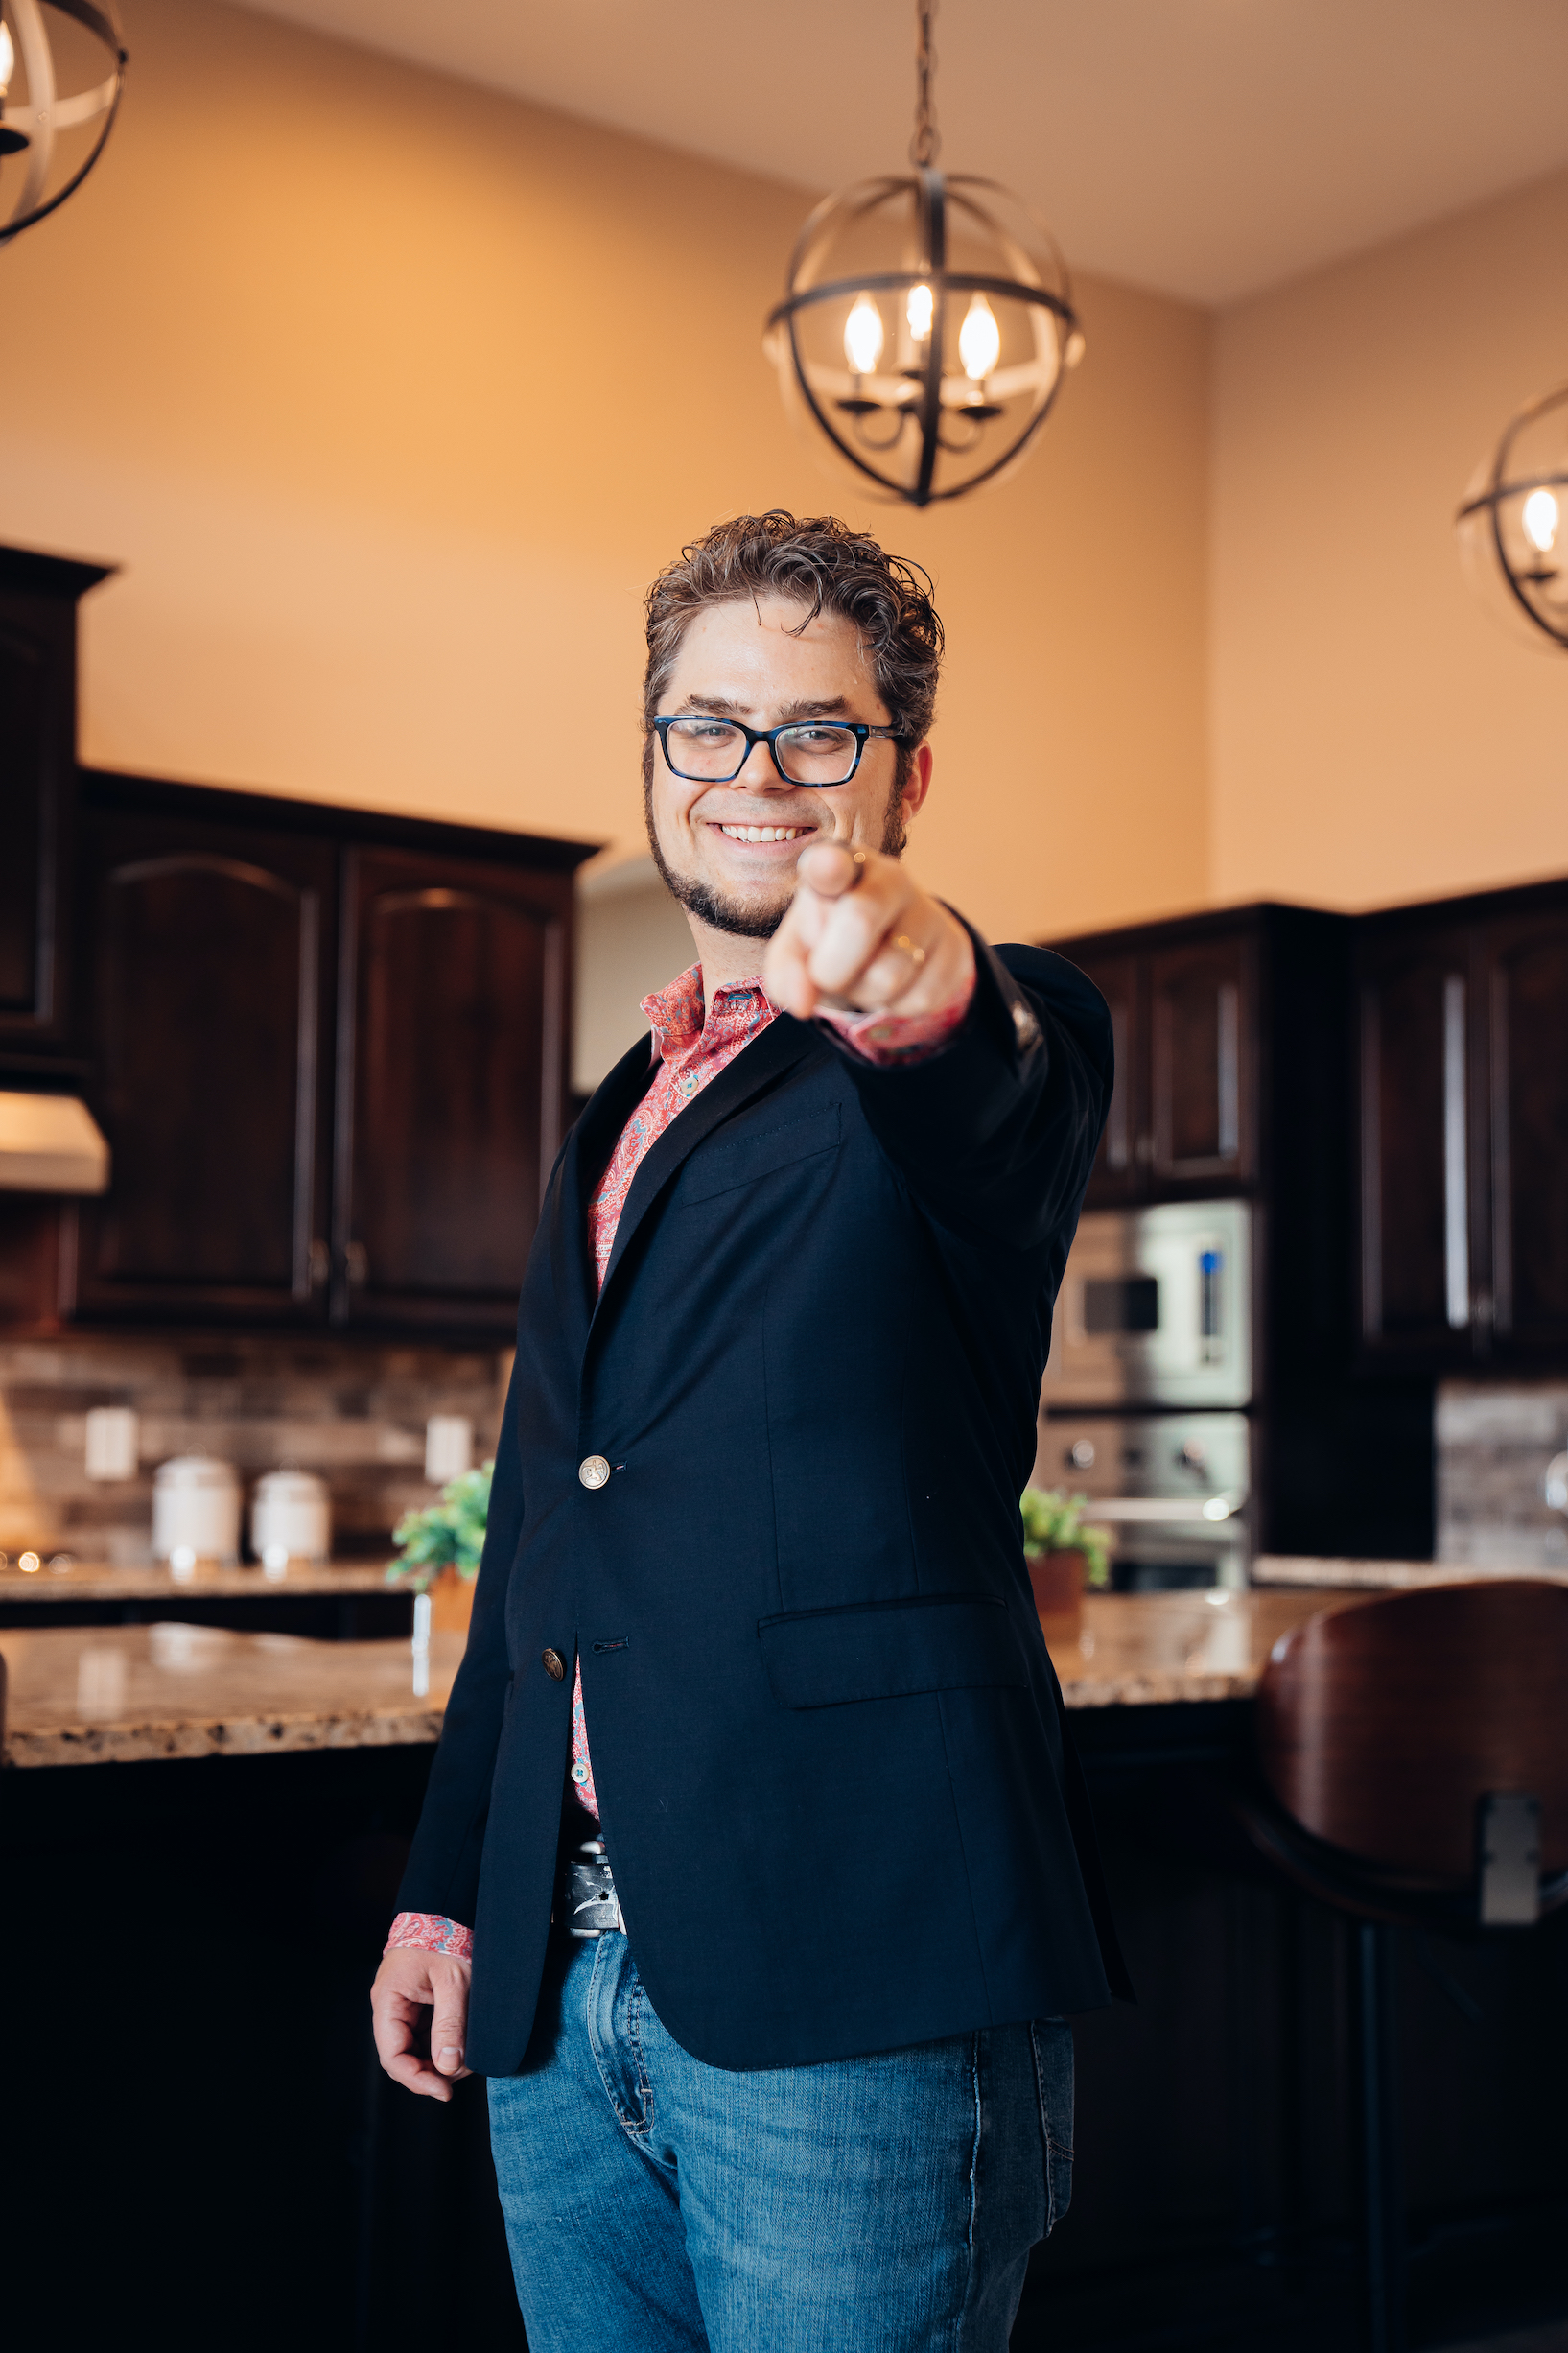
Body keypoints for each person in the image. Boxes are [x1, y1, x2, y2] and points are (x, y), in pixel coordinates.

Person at [370, 510, 1127, 2352]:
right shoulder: (612, 1109)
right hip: (559, 1986)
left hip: (854, 1971)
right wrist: (450, 1895)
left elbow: (985, 1080)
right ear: (651, 757)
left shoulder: (977, 1039)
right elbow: (545, 1520)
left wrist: (914, 974)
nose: (755, 774)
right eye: (706, 726)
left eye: (820, 731)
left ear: (906, 771)